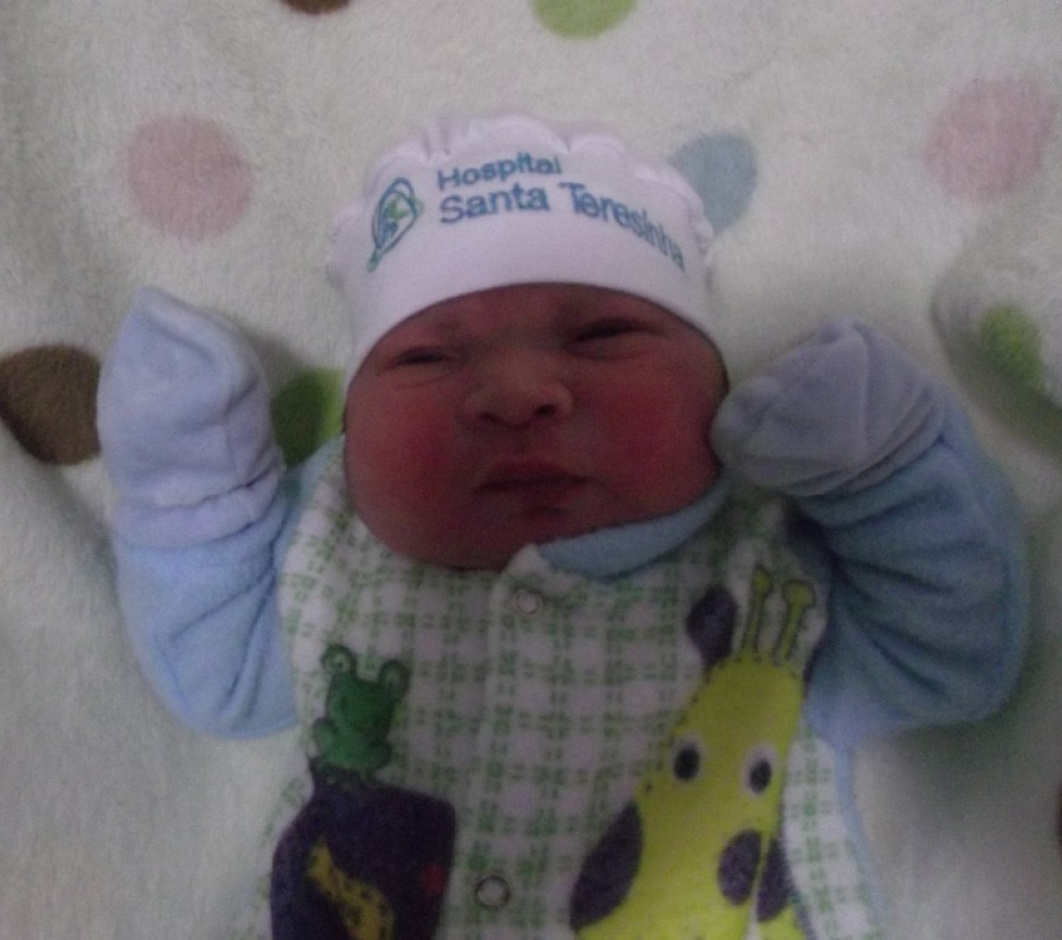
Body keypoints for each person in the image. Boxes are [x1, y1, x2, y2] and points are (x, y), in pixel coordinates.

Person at [97, 113, 1027, 939]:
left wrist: (887, 471)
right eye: (426, 357)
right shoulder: (332, 550)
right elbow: (218, 677)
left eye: (602, 337)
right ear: (351, 428)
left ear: (722, 381)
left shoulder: (772, 569)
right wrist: (193, 491)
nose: (518, 392)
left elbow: (954, 657)